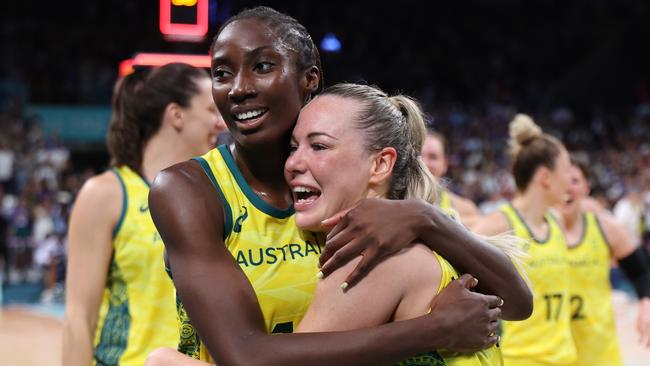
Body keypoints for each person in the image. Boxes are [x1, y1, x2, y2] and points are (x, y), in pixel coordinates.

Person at [146, 6, 531, 365]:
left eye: (262, 66)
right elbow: (244, 353)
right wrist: (433, 330)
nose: (238, 88)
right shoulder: (193, 189)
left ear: (309, 79)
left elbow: (516, 302)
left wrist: (424, 217)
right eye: (221, 73)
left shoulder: (372, 228)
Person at [288, 83, 530, 365]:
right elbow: (519, 303)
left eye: (319, 146)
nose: (293, 162)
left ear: (380, 165)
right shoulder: (430, 246)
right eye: (293, 148)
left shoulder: (374, 260)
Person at [62, 63, 225, 366]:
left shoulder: (218, 194)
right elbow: (78, 320)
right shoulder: (107, 194)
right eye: (211, 111)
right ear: (177, 114)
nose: (222, 124)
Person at [473, 113, 576, 365]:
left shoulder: (557, 221)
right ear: (545, 177)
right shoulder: (496, 225)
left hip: (565, 357)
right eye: (566, 169)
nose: (571, 180)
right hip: (518, 359)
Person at [556, 156, 650, 365]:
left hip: (597, 351)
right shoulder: (532, 230)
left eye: (575, 181)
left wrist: (646, 305)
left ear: (586, 187)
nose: (567, 188)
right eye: (561, 181)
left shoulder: (606, 227)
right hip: (547, 351)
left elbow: (641, 271)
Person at [421, 129, 482, 228]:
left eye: (433, 157)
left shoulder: (466, 210)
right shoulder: (395, 203)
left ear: (445, 164)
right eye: (418, 156)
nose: (424, 163)